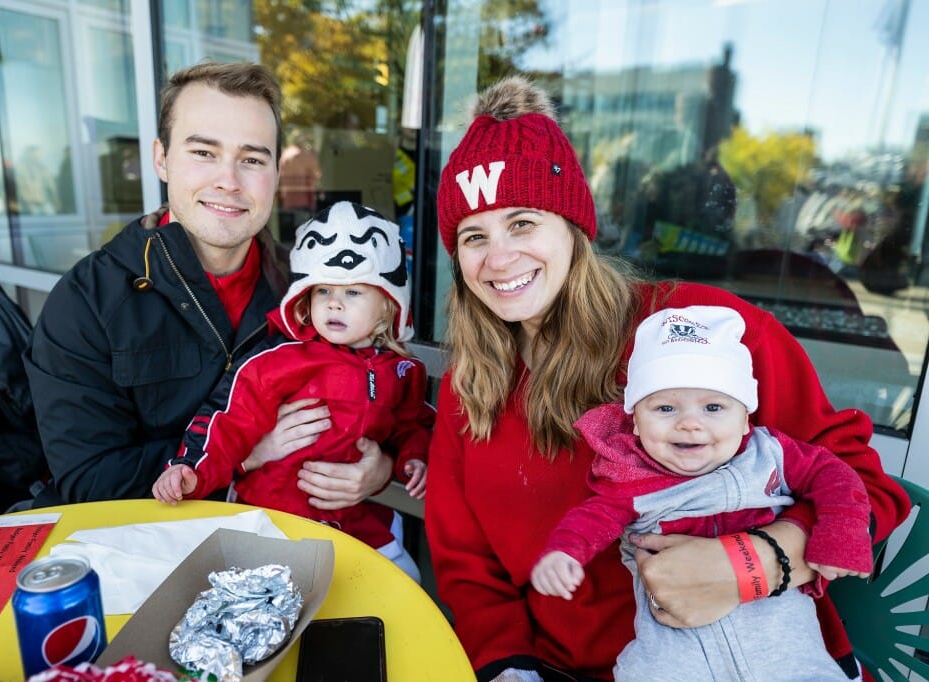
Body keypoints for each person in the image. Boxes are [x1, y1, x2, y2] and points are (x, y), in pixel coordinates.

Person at [424, 74, 910, 682]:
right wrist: (508, 665)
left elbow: (860, 483)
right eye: (475, 236)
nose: (499, 258)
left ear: (573, 228)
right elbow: (467, 566)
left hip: (757, 663)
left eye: (523, 223)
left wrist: (754, 561)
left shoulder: (702, 327)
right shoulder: (471, 383)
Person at [24, 62, 393, 507]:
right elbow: (91, 482)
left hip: (291, 540)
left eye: (252, 160)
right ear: (161, 158)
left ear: (276, 172)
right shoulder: (86, 301)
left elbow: (378, 390)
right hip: (146, 554)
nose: (228, 181)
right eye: (204, 153)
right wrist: (243, 454)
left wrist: (381, 468)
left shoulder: (311, 286)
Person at [530, 305, 872, 681]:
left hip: (785, 655)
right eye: (664, 408)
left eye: (713, 407)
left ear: (745, 419)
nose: (689, 423)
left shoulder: (771, 454)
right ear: (636, 423)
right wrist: (564, 552)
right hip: (676, 659)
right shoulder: (630, 478)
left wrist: (841, 534)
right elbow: (593, 517)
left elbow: (837, 477)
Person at [152, 201, 433, 580]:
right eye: (323, 292)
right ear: (304, 297)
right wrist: (191, 470)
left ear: (387, 306)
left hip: (348, 515)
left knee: (404, 581)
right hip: (274, 511)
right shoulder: (283, 358)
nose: (334, 302)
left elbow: (411, 423)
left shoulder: (400, 370)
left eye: (352, 293)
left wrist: (414, 458)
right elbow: (227, 417)